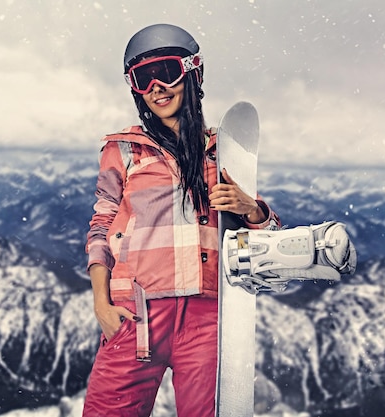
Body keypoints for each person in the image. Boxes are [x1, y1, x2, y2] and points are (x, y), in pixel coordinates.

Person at [83, 23, 279, 417]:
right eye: (143, 78)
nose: (157, 86)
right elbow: (101, 227)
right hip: (134, 315)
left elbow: (269, 237)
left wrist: (250, 209)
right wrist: (101, 304)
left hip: (206, 317)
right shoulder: (123, 150)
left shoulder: (223, 153)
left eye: (167, 71)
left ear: (193, 72)